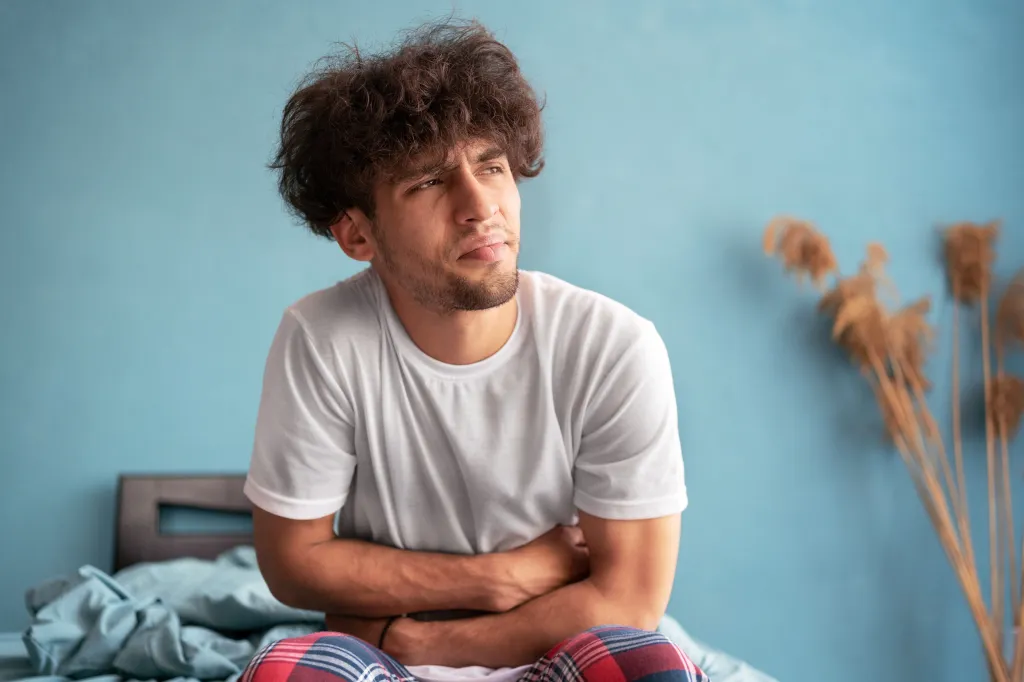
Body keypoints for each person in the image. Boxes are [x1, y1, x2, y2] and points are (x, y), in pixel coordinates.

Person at [240, 16, 707, 682]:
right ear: (357, 236)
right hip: (375, 655)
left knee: (654, 666)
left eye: (492, 166)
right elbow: (293, 564)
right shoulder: (321, 336)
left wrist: (435, 646)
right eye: (429, 182)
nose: (480, 204)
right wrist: (499, 578)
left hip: (542, 640)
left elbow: (629, 600)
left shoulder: (612, 345)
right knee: (283, 671)